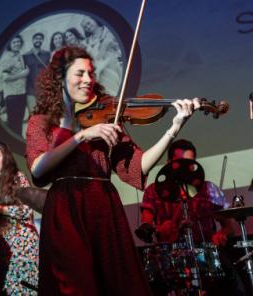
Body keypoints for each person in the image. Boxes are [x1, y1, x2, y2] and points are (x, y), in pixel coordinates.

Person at [25, 46, 201, 295]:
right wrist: (82, 135)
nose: (88, 80)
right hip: (65, 210)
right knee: (73, 284)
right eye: (79, 74)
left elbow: (138, 165)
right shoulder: (41, 122)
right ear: (60, 78)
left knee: (117, 283)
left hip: (103, 207)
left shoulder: (107, 116)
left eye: (91, 73)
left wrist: (173, 128)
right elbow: (38, 167)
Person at [140, 139, 245, 296]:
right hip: (170, 257)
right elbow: (146, 227)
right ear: (169, 163)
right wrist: (162, 229)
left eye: (189, 163)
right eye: (179, 162)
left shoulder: (208, 189)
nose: (185, 168)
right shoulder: (153, 191)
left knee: (235, 287)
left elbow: (229, 226)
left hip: (206, 253)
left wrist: (221, 234)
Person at [0, 141, 39, 295]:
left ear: (5, 157)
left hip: (22, 246)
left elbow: (26, 210)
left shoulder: (17, 177)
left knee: (21, 291)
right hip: (1, 247)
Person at [80, 16, 123, 95]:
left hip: (114, 66)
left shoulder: (109, 32)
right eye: (85, 27)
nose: (88, 27)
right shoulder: (88, 40)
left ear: (94, 20)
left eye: (88, 23)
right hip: (101, 70)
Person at [0, 35, 29, 136]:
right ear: (10, 45)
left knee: (19, 121)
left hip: (21, 93)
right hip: (12, 95)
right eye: (14, 42)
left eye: (18, 42)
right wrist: (22, 74)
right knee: (13, 124)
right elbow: (4, 77)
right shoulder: (7, 58)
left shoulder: (20, 55)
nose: (17, 44)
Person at [23, 32, 50, 118]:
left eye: (40, 38)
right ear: (32, 40)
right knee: (33, 114)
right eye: (36, 38)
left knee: (45, 113)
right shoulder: (25, 56)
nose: (38, 40)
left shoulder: (47, 54)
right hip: (30, 89)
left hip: (44, 89)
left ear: (42, 40)